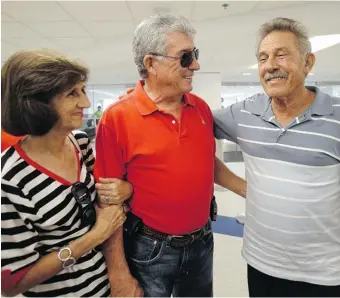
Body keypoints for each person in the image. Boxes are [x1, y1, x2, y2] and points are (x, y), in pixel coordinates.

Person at [94, 14, 246, 297]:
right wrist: (117, 273)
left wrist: (248, 190)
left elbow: (203, 162)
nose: (196, 65)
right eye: (186, 57)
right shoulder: (117, 118)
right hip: (150, 249)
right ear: (151, 63)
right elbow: (106, 200)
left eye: (195, 54)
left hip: (202, 241)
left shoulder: (199, 108)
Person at [214, 17, 340, 297]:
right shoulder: (244, 114)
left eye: (281, 55)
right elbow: (190, 130)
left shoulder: (337, 115)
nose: (270, 65)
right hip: (261, 264)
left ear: (308, 63)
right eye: (263, 58)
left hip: (326, 273)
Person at [1, 50, 132, 297]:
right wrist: (94, 237)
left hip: (104, 288)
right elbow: (12, 284)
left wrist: (126, 189)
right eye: (73, 93)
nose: (85, 103)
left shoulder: (80, 143)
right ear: (36, 103)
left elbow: (105, 199)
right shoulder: (10, 180)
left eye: (83, 90)